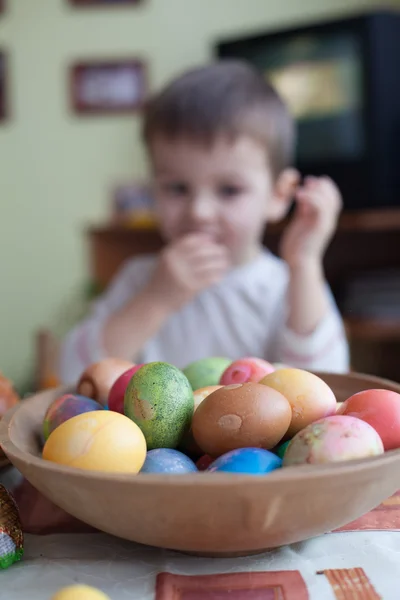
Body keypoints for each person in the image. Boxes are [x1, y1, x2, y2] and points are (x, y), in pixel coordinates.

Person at [59, 60, 349, 384]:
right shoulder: (140, 279)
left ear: (279, 195)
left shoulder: (288, 285)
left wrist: (305, 263)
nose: (199, 211)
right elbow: (74, 373)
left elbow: (325, 385)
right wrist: (156, 300)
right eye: (177, 188)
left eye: (229, 190)